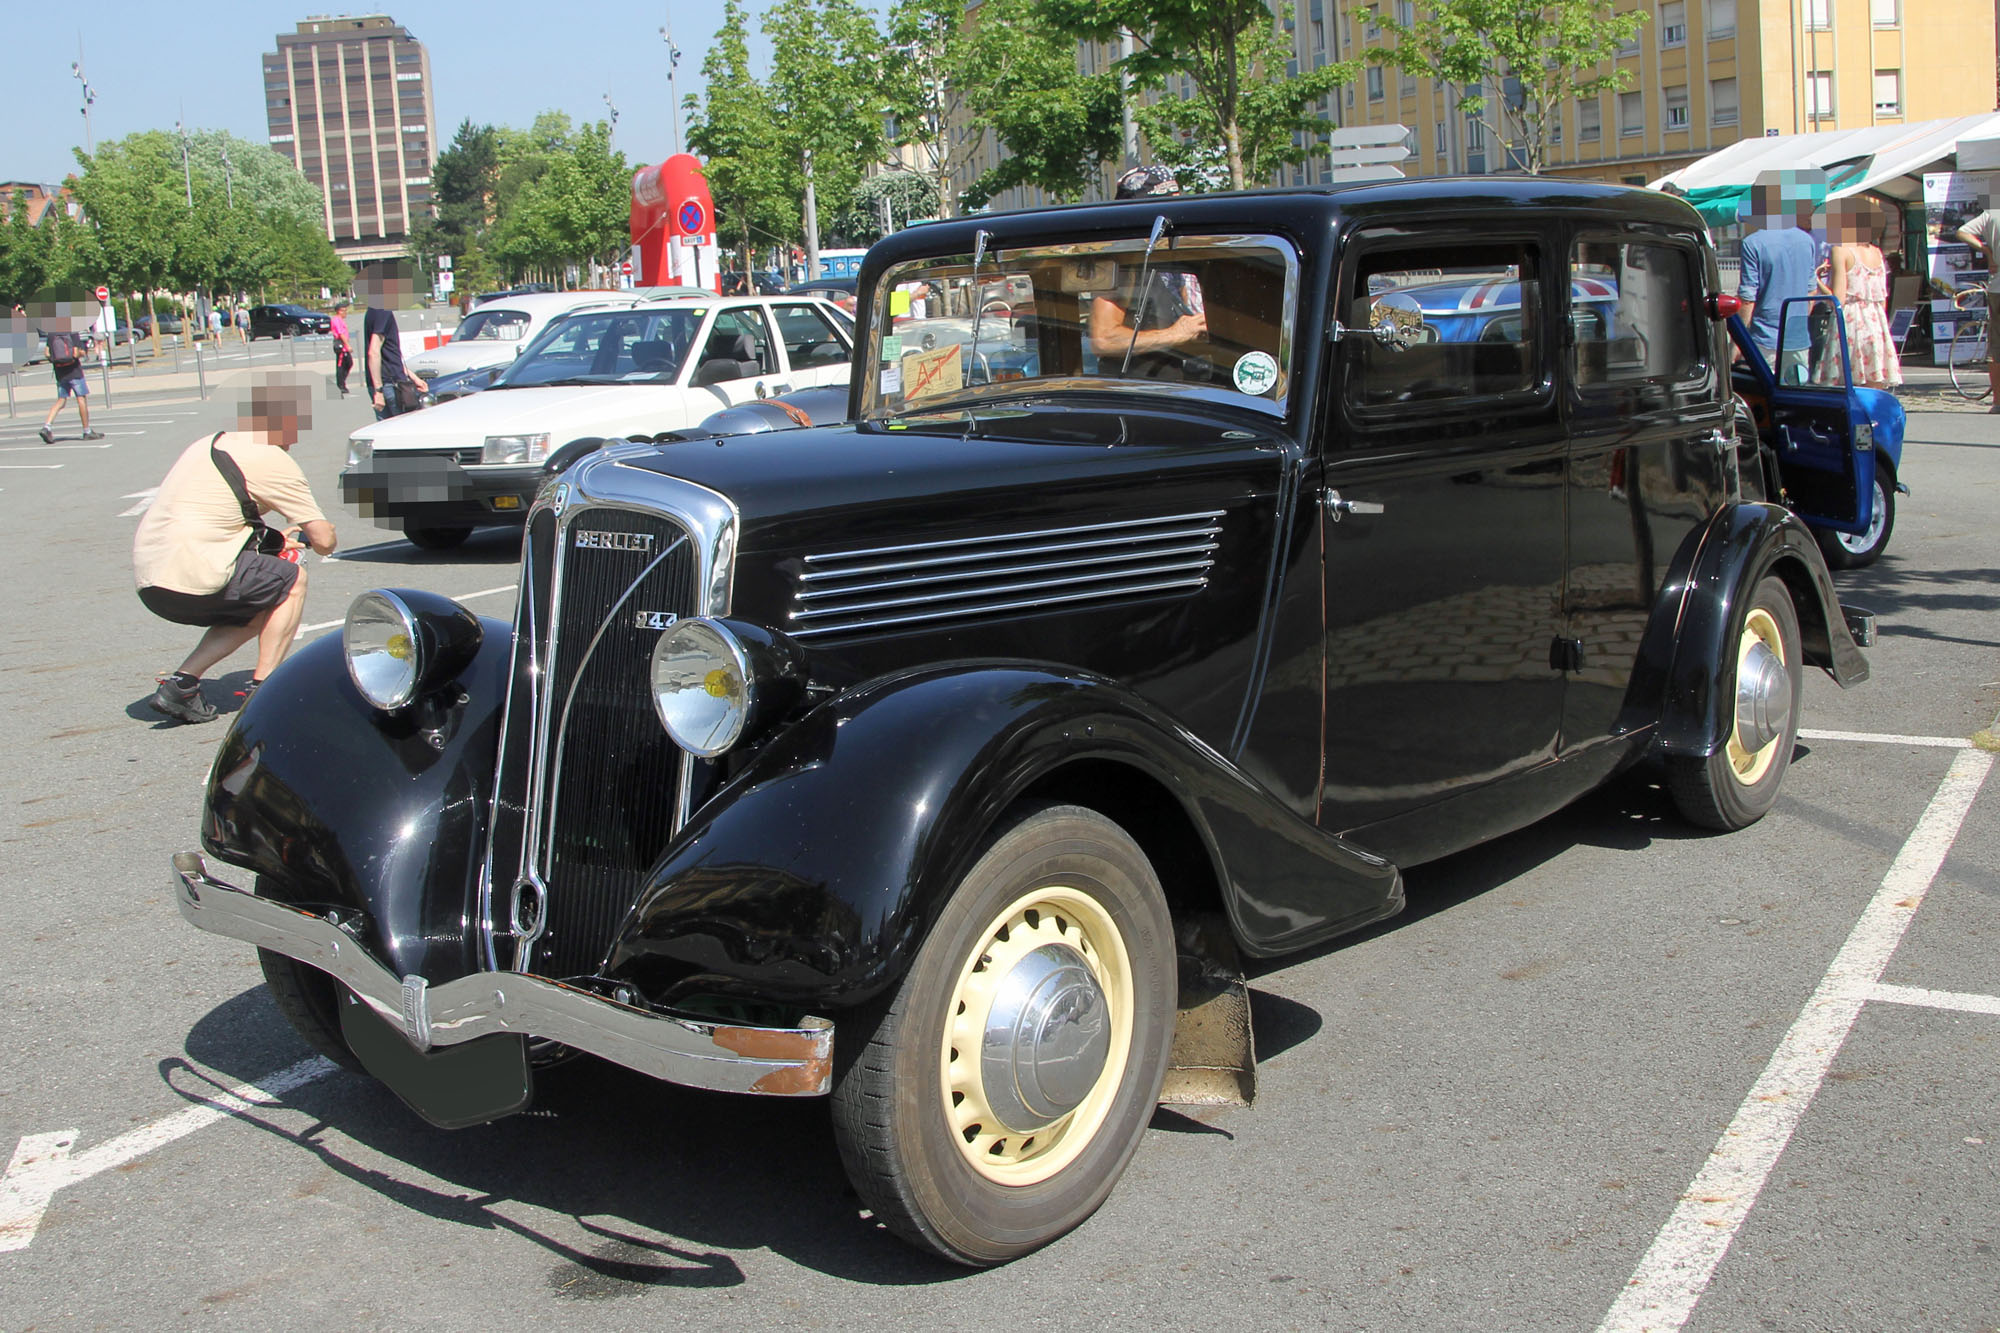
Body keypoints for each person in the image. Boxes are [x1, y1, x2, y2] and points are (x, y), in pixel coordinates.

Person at [133, 375, 337, 723]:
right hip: (195, 576)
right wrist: (310, 533)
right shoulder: (271, 458)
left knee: (260, 593)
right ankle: (266, 690)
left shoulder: (209, 443)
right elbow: (323, 541)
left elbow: (216, 514)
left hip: (152, 581)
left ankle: (180, 686)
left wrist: (274, 538)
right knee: (291, 579)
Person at [1087, 165, 1209, 376]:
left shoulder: (1174, 257)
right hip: (1141, 395)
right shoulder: (1123, 264)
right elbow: (1103, 339)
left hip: (1186, 387)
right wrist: (1174, 334)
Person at [1735, 171, 1822, 383]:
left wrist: (1737, 342)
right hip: (1799, 337)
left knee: (1763, 398)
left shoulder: (1753, 243)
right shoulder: (1807, 241)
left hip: (1765, 339)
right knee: (1796, 395)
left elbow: (1748, 299)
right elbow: (1811, 291)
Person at [1818, 198, 1902, 390]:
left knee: (1847, 384)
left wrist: (1818, 281)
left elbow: (1837, 300)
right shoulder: (1877, 252)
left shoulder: (1841, 250)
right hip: (1875, 321)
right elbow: (1882, 297)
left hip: (1851, 320)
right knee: (1874, 386)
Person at [1954, 204, 2000, 411]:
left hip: (1998, 286)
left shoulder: (1992, 214)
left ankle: (1998, 401)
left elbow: (1962, 232)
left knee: (1997, 347)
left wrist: (1985, 249)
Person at [36, 317, 102, 444]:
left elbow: (47, 353)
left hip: (60, 372)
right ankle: (87, 431)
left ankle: (47, 426)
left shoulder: (51, 334)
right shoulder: (72, 331)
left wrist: (57, 360)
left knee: (61, 400)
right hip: (74, 371)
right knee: (81, 399)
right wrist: (83, 353)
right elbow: (76, 353)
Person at [363, 304, 427, 419]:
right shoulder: (382, 311)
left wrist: (413, 377)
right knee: (403, 427)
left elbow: (388, 355)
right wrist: (379, 390)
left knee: (387, 430)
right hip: (390, 384)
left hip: (384, 382)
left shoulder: (373, 310)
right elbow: (374, 352)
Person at [329, 298, 355, 396]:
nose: (345, 312)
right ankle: (340, 385)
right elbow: (340, 334)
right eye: (344, 310)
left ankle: (342, 383)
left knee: (348, 363)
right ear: (339, 311)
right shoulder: (336, 320)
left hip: (344, 346)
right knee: (341, 365)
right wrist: (347, 345)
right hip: (341, 346)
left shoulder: (340, 320)